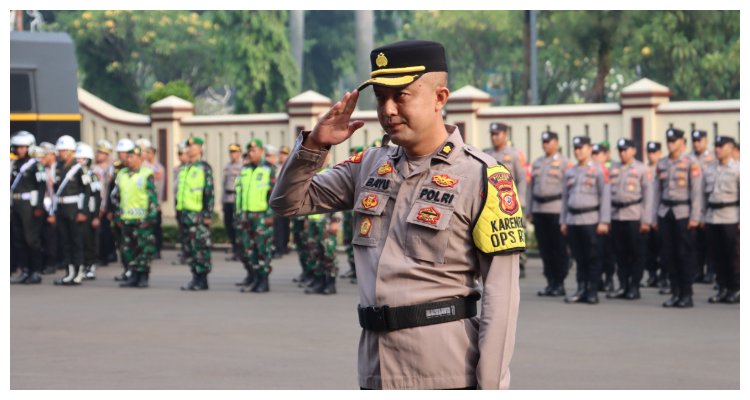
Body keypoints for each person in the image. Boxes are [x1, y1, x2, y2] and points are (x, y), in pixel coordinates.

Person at [270, 40, 523, 389]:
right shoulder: (369, 166)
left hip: (444, 371)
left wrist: (491, 388)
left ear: (440, 98)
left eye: (401, 95)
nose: (387, 110)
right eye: (380, 97)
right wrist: (315, 145)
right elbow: (287, 202)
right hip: (375, 368)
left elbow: (502, 298)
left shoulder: (482, 176)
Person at [653, 128, 703, 308]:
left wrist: (695, 216)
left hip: (683, 212)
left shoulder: (691, 162)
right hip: (665, 212)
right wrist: (654, 217)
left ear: (682, 142)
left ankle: (686, 293)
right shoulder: (662, 163)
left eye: (674, 141)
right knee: (668, 254)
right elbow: (656, 192)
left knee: (684, 254)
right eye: (669, 141)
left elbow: (696, 192)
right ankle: (675, 292)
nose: (671, 144)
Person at [560, 136, 611, 304]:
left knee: (593, 257)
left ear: (589, 149)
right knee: (579, 257)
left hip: (591, 219)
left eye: (581, 148)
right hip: (573, 220)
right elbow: (565, 199)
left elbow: (605, 196)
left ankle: (592, 290)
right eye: (575, 148)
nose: (578, 151)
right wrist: (564, 220)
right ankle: (581, 288)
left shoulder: (598, 170)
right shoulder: (570, 171)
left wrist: (604, 221)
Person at [605, 138, 653, 300]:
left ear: (633, 150)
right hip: (616, 215)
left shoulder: (641, 169)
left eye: (626, 150)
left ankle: (634, 286)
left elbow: (649, 195)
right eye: (620, 150)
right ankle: (623, 284)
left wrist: (646, 220)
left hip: (634, 215)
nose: (622, 153)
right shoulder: (613, 169)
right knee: (619, 253)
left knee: (635, 253)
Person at [527, 131, 572, 297]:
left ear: (556, 142)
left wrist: (566, 215)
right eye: (543, 141)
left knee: (558, 248)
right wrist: (530, 210)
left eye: (548, 141)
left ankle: (559, 282)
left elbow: (569, 191)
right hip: (539, 210)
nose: (545, 144)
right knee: (545, 249)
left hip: (556, 210)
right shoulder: (538, 163)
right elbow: (531, 188)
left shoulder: (564, 163)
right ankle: (550, 282)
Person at [111, 145, 159, 288]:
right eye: (127, 157)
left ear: (139, 158)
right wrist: (118, 216)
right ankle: (133, 274)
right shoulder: (122, 174)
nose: (128, 160)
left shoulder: (146, 174)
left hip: (142, 219)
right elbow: (116, 197)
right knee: (127, 249)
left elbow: (152, 198)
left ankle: (143, 276)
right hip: (126, 219)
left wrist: (150, 218)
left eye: (132, 157)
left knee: (143, 248)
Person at [485, 122, 528, 278]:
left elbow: (522, 179)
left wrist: (521, 200)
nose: (494, 137)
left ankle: (520, 262)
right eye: (492, 134)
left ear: (505, 135)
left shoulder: (515, 155)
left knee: (515, 233)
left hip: (511, 202)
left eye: (497, 134)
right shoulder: (486, 154)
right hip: (492, 203)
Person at [49, 135, 93, 286]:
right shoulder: (58, 167)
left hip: (75, 209)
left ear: (71, 151)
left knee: (76, 241)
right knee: (65, 242)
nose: (60, 153)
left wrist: (83, 212)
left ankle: (78, 272)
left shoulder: (81, 168)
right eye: (60, 150)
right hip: (61, 208)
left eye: (63, 150)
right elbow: (55, 191)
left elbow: (87, 191)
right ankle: (69, 273)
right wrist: (53, 211)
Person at [235, 139, 276, 293]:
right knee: (248, 249)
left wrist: (270, 215)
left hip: (261, 216)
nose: (251, 153)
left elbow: (274, 195)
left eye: (254, 151)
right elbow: (240, 193)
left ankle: (264, 281)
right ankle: (255, 278)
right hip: (245, 216)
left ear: (261, 152)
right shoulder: (244, 169)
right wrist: (238, 214)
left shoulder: (268, 169)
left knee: (262, 248)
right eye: (249, 151)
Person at [703, 136, 739, 304]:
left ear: (730, 148)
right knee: (716, 256)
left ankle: (735, 289)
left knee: (733, 256)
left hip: (731, 217)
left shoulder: (739, 169)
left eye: (721, 146)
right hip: (712, 217)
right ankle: (722, 287)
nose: (717, 149)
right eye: (716, 146)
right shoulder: (710, 169)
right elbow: (704, 195)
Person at [177, 136, 215, 291]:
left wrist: (207, 214)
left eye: (193, 146)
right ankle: (195, 277)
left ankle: (202, 279)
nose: (190, 148)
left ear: (200, 148)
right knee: (190, 248)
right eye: (188, 145)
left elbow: (209, 193)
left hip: (198, 216)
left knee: (200, 247)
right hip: (185, 214)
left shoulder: (204, 168)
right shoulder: (185, 168)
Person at [10, 131, 46, 284]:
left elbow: (42, 186)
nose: (20, 150)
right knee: (19, 239)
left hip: (30, 205)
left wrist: (38, 206)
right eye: (18, 147)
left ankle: (35, 271)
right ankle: (25, 270)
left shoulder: (35, 165)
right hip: (17, 204)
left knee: (31, 239)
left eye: (24, 147)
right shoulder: (15, 164)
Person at [689, 129, 717, 284]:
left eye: (699, 140)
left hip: (709, 205)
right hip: (693, 206)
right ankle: (697, 270)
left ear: (705, 141)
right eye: (694, 141)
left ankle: (711, 271)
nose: (697, 143)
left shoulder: (713, 158)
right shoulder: (688, 159)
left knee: (710, 243)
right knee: (695, 243)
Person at [74, 143, 102, 281]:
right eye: (77, 159)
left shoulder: (93, 176)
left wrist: (96, 216)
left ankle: (91, 265)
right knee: (79, 240)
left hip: (90, 212)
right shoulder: (74, 175)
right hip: (78, 210)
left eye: (82, 159)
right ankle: (81, 265)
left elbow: (97, 196)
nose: (79, 162)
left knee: (89, 239)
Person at [108, 138, 135, 281]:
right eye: (120, 153)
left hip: (132, 213)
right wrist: (110, 211)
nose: (122, 156)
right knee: (121, 244)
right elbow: (111, 191)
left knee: (132, 244)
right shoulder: (117, 168)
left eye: (124, 153)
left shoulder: (136, 170)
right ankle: (126, 269)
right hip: (119, 211)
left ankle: (134, 270)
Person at [592, 143, 616, 293]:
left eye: (598, 153)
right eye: (593, 153)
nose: (595, 156)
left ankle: (609, 279)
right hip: (595, 216)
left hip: (612, 215)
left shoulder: (613, 169)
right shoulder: (591, 170)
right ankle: (598, 279)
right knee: (596, 251)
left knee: (609, 251)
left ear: (606, 154)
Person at [137, 138, 165, 259]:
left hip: (154, 202)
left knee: (155, 228)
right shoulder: (139, 166)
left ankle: (157, 250)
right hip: (140, 204)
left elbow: (157, 185)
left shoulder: (157, 167)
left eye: (148, 152)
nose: (146, 154)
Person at [644, 141, 666, 289]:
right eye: (649, 152)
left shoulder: (664, 169)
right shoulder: (643, 170)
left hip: (661, 214)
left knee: (663, 249)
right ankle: (652, 275)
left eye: (654, 152)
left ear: (659, 153)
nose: (651, 155)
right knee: (648, 249)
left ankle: (664, 277)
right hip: (647, 214)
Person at [93, 140, 116, 269]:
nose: (99, 155)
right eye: (98, 152)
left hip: (106, 203)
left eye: (102, 153)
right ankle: (97, 255)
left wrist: (108, 207)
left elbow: (111, 189)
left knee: (105, 231)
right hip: (95, 201)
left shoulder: (111, 169)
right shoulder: (93, 167)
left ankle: (106, 255)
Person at [222, 143, 243, 261]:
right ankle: (234, 247)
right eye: (231, 152)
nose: (232, 154)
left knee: (237, 226)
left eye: (235, 152)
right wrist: (222, 201)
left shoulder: (243, 166)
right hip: (228, 199)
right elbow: (223, 184)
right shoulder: (227, 166)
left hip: (237, 199)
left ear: (239, 153)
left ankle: (239, 251)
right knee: (228, 225)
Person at [172, 140, 190, 266]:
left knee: (188, 231)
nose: (180, 156)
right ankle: (185, 251)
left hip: (189, 204)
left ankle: (188, 253)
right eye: (178, 154)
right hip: (179, 202)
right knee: (182, 230)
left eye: (182, 153)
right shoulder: (178, 168)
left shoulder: (193, 168)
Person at [273, 146, 292, 257]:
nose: (282, 156)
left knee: (285, 224)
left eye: (284, 154)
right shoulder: (275, 167)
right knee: (278, 225)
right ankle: (279, 247)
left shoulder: (290, 167)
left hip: (286, 199)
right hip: (277, 198)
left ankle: (284, 245)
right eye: (281, 153)